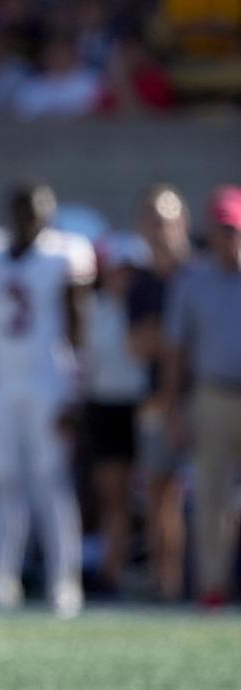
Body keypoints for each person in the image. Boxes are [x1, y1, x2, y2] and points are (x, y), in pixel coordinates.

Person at [0, 182, 95, 617]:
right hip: (1, 382)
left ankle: (63, 582)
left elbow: (78, 326)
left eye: (37, 213)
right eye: (23, 212)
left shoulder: (64, 255)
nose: (29, 221)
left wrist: (76, 391)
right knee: (1, 482)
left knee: (50, 482)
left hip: (47, 381)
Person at [161, 186, 241, 608]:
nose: (230, 238)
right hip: (211, 395)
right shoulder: (193, 281)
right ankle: (213, 587)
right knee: (210, 496)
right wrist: (174, 408)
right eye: (223, 229)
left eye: (235, 230)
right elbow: (176, 351)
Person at [129, 185, 192, 601]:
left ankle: (210, 582)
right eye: (153, 219)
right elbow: (138, 345)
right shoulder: (142, 282)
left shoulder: (202, 270)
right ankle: (166, 583)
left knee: (213, 496)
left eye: (167, 218)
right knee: (158, 493)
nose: (160, 228)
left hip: (204, 395)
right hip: (157, 398)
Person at [83, 232, 150, 591]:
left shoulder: (150, 309)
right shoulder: (92, 310)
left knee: (156, 493)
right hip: (105, 407)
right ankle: (113, 570)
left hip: (141, 406)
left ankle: (160, 575)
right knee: (113, 496)